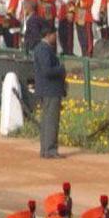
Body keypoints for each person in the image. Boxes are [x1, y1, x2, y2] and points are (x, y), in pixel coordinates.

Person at [32, 27, 66, 159]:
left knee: (46, 120)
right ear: (48, 35)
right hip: (50, 90)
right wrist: (61, 69)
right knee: (51, 121)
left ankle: (45, 149)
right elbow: (47, 70)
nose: (55, 37)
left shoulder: (40, 48)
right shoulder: (44, 49)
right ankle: (50, 149)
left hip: (45, 89)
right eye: (54, 35)